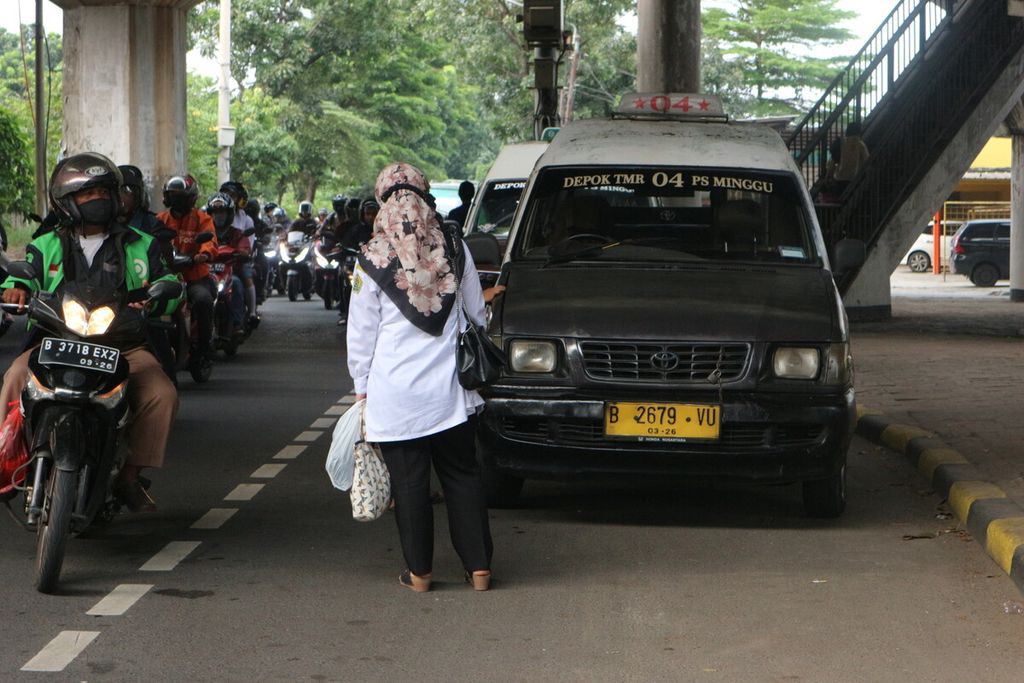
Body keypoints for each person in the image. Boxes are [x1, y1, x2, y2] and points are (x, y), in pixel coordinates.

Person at [0, 152, 181, 512]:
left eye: (102, 192)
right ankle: (8, 463)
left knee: (162, 394)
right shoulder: (46, 243)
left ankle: (129, 476)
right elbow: (23, 273)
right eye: (86, 194)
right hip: (55, 342)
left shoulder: (142, 244)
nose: (96, 199)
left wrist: (157, 299)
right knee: (16, 375)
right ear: (66, 202)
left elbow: (168, 282)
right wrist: (15, 288)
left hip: (123, 345)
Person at [347, 162, 493, 593]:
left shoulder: (372, 256)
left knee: (409, 485)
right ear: (426, 196)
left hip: (396, 393)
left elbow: (361, 333)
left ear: (382, 203)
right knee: (462, 476)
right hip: (451, 391)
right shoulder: (455, 245)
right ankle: (480, 570)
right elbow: (477, 314)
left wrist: (361, 388)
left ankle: (420, 575)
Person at [157, 174, 219, 362]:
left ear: (190, 198)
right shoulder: (160, 219)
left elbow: (211, 241)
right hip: (168, 276)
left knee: (203, 300)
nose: (175, 199)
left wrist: (203, 254)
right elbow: (149, 241)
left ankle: (204, 346)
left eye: (180, 195)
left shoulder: (203, 219)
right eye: (172, 195)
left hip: (195, 277)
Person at [205, 192, 250, 335]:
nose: (218, 216)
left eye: (222, 212)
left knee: (236, 283)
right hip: (207, 273)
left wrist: (241, 253)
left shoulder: (237, 234)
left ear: (229, 214)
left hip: (230, 271)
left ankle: (237, 323)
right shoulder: (205, 233)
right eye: (215, 212)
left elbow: (245, 248)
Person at [219, 181, 258, 326]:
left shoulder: (245, 218)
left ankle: (252, 313)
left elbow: (249, 242)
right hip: (217, 256)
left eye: (232, 196)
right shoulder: (213, 214)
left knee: (245, 277)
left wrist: (242, 252)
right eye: (226, 195)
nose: (229, 198)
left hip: (237, 256)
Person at [336, 199, 379, 326]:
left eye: (374, 214)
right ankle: (345, 312)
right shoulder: (355, 230)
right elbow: (345, 245)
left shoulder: (386, 230)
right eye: (368, 214)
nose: (370, 217)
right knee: (343, 279)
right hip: (358, 269)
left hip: (379, 270)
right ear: (362, 215)